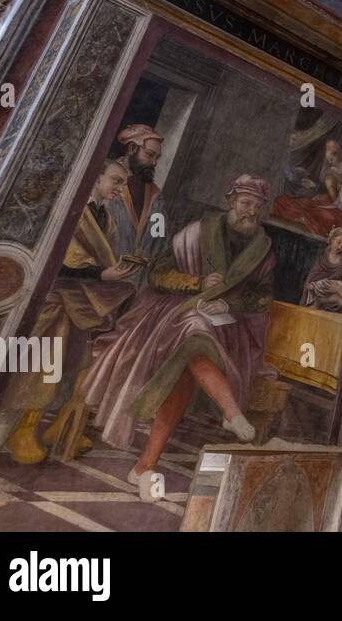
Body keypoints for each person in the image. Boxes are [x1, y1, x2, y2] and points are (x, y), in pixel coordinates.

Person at [81, 175, 277, 501]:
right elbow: (159, 273)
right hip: (171, 318)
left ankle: (145, 466)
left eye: (257, 207)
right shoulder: (196, 233)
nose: (251, 212)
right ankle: (231, 413)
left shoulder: (263, 251)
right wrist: (197, 283)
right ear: (231, 201)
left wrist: (229, 302)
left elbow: (262, 298)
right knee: (193, 328)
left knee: (183, 379)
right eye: (246, 204)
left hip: (228, 329)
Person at [0, 161, 141, 506]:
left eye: (123, 184)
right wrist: (99, 275)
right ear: (96, 176)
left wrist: (102, 274)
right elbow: (55, 258)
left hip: (60, 316)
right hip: (36, 313)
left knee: (22, 396)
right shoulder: (68, 208)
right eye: (115, 181)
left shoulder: (103, 217)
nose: (119, 189)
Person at [107, 124, 167, 278]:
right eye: (149, 155)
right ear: (132, 149)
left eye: (157, 158)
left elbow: (158, 235)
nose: (154, 163)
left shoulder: (155, 194)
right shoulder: (103, 180)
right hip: (103, 272)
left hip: (137, 278)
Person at [302, 227, 342, 311]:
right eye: (338, 242)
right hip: (313, 305)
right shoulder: (319, 258)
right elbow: (309, 281)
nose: (339, 247)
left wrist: (337, 289)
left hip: (333, 310)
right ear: (332, 239)